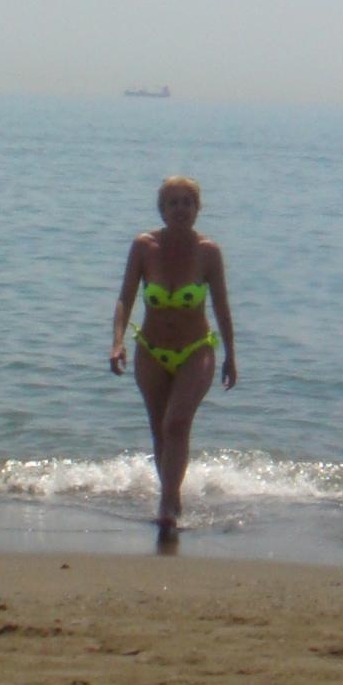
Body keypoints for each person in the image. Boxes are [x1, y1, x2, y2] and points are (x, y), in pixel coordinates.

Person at [109, 176, 237, 531]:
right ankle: (172, 496)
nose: (181, 209)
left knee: (176, 423)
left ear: (198, 209)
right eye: (173, 203)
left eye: (187, 203)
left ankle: (166, 503)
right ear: (162, 210)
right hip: (151, 350)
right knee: (159, 428)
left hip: (196, 350)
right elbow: (125, 298)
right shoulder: (143, 247)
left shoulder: (208, 252)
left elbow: (222, 307)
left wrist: (231, 354)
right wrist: (117, 342)